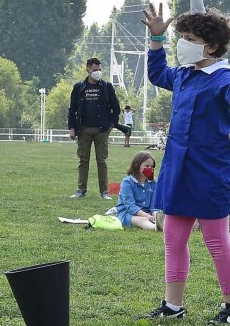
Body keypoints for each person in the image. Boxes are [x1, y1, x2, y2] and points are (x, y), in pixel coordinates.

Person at [138, 2, 230, 325]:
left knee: (216, 241)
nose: (181, 44)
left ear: (211, 46)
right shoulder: (183, 75)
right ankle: (173, 304)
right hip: (178, 170)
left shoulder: (223, 77)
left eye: (188, 38)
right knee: (173, 238)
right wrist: (156, 39)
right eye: (180, 37)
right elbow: (156, 73)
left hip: (210, 173)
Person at [67, 57, 120, 200]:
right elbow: (72, 109)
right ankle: (81, 190)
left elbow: (116, 108)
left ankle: (104, 192)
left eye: (99, 69)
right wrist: (71, 127)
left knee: (101, 161)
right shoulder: (79, 87)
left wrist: (111, 125)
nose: (98, 72)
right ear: (88, 70)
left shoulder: (107, 87)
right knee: (83, 160)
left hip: (102, 130)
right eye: (95, 70)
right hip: (83, 129)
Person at [116, 151, 161, 231]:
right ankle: (157, 228)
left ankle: (161, 224)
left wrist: (155, 215)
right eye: (147, 166)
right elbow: (130, 206)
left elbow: (154, 206)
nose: (150, 169)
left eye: (152, 166)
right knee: (142, 220)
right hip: (128, 214)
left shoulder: (154, 183)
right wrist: (147, 216)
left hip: (147, 213)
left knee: (162, 215)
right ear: (137, 165)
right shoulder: (127, 182)